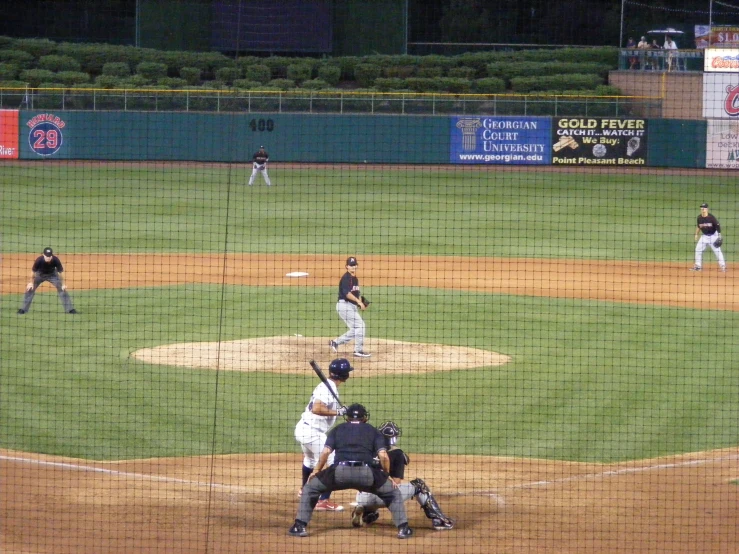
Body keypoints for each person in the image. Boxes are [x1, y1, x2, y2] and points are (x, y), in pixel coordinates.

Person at [288, 403, 413, 540]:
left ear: (347, 418)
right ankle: (403, 529)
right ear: (364, 418)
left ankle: (299, 526)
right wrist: (385, 475)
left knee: (310, 488)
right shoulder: (372, 431)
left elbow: (325, 453)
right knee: (393, 493)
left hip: (338, 474)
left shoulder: (338, 429)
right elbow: (383, 456)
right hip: (366, 475)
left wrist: (316, 470)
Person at [351, 420, 455, 531]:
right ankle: (439, 520)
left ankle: (366, 512)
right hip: (381, 497)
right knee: (419, 485)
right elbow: (396, 483)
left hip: (361, 496)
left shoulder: (367, 448)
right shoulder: (397, 453)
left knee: (371, 485)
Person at [294, 358, 353, 511]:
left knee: (310, 460)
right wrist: (338, 412)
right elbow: (316, 408)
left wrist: (339, 411)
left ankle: (304, 490)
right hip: (312, 433)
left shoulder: (328, 386)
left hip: (304, 429)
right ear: (345, 375)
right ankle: (323, 500)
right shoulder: (327, 388)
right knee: (335, 462)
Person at [329, 256, 371, 358]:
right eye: (351, 265)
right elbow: (347, 294)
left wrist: (361, 302)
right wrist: (359, 302)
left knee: (356, 328)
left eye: (354, 265)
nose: (353, 267)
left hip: (350, 306)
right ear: (347, 266)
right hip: (344, 305)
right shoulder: (346, 278)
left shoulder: (355, 279)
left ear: (357, 266)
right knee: (360, 326)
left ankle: (335, 342)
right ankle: (358, 351)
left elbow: (356, 294)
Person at [18, 247, 76, 314]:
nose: (48, 258)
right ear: (43, 255)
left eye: (49, 256)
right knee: (30, 289)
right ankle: (23, 309)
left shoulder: (56, 260)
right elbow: (33, 272)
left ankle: (70, 309)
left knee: (62, 289)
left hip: (52, 275)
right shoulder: (39, 260)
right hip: (40, 275)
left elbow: (61, 273)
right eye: (46, 256)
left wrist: (63, 284)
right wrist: (31, 283)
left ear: (52, 255)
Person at [691, 203, 726, 272]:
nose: (702, 209)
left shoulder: (711, 218)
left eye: (704, 208)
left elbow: (717, 225)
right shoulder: (699, 218)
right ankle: (698, 266)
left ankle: (723, 266)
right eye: (701, 208)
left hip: (713, 236)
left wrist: (719, 235)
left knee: (717, 251)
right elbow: (698, 226)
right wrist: (696, 234)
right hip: (704, 237)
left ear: (707, 209)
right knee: (698, 249)